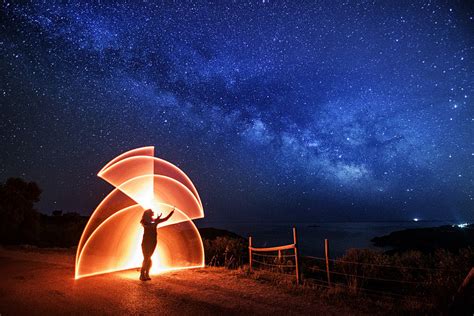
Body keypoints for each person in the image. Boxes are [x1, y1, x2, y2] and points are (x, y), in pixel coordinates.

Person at [140, 207, 175, 281]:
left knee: (149, 257)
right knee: (146, 257)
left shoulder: (154, 220)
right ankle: (142, 274)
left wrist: (171, 213)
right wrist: (157, 220)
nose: (153, 212)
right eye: (151, 211)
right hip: (146, 241)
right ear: (148, 213)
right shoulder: (143, 221)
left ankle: (147, 274)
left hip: (153, 241)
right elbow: (148, 226)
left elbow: (165, 219)